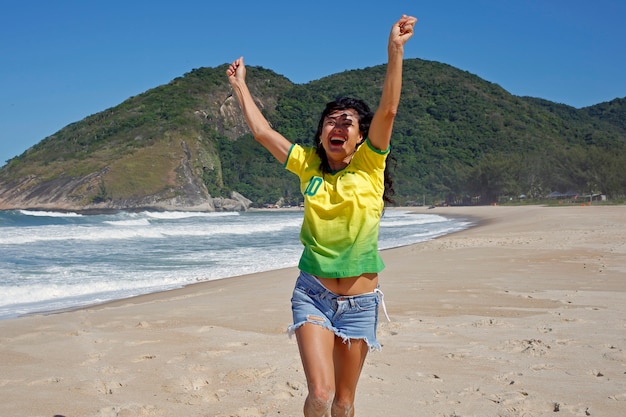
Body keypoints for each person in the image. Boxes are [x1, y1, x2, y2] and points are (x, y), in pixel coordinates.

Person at [226, 14, 417, 417]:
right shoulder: (307, 165)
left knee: (345, 403)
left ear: (361, 137)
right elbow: (263, 134)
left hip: (361, 303)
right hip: (313, 294)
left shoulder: (369, 165)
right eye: (332, 120)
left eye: (349, 122)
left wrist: (395, 51)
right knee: (321, 394)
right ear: (320, 135)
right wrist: (240, 86)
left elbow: (389, 110)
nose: (339, 125)